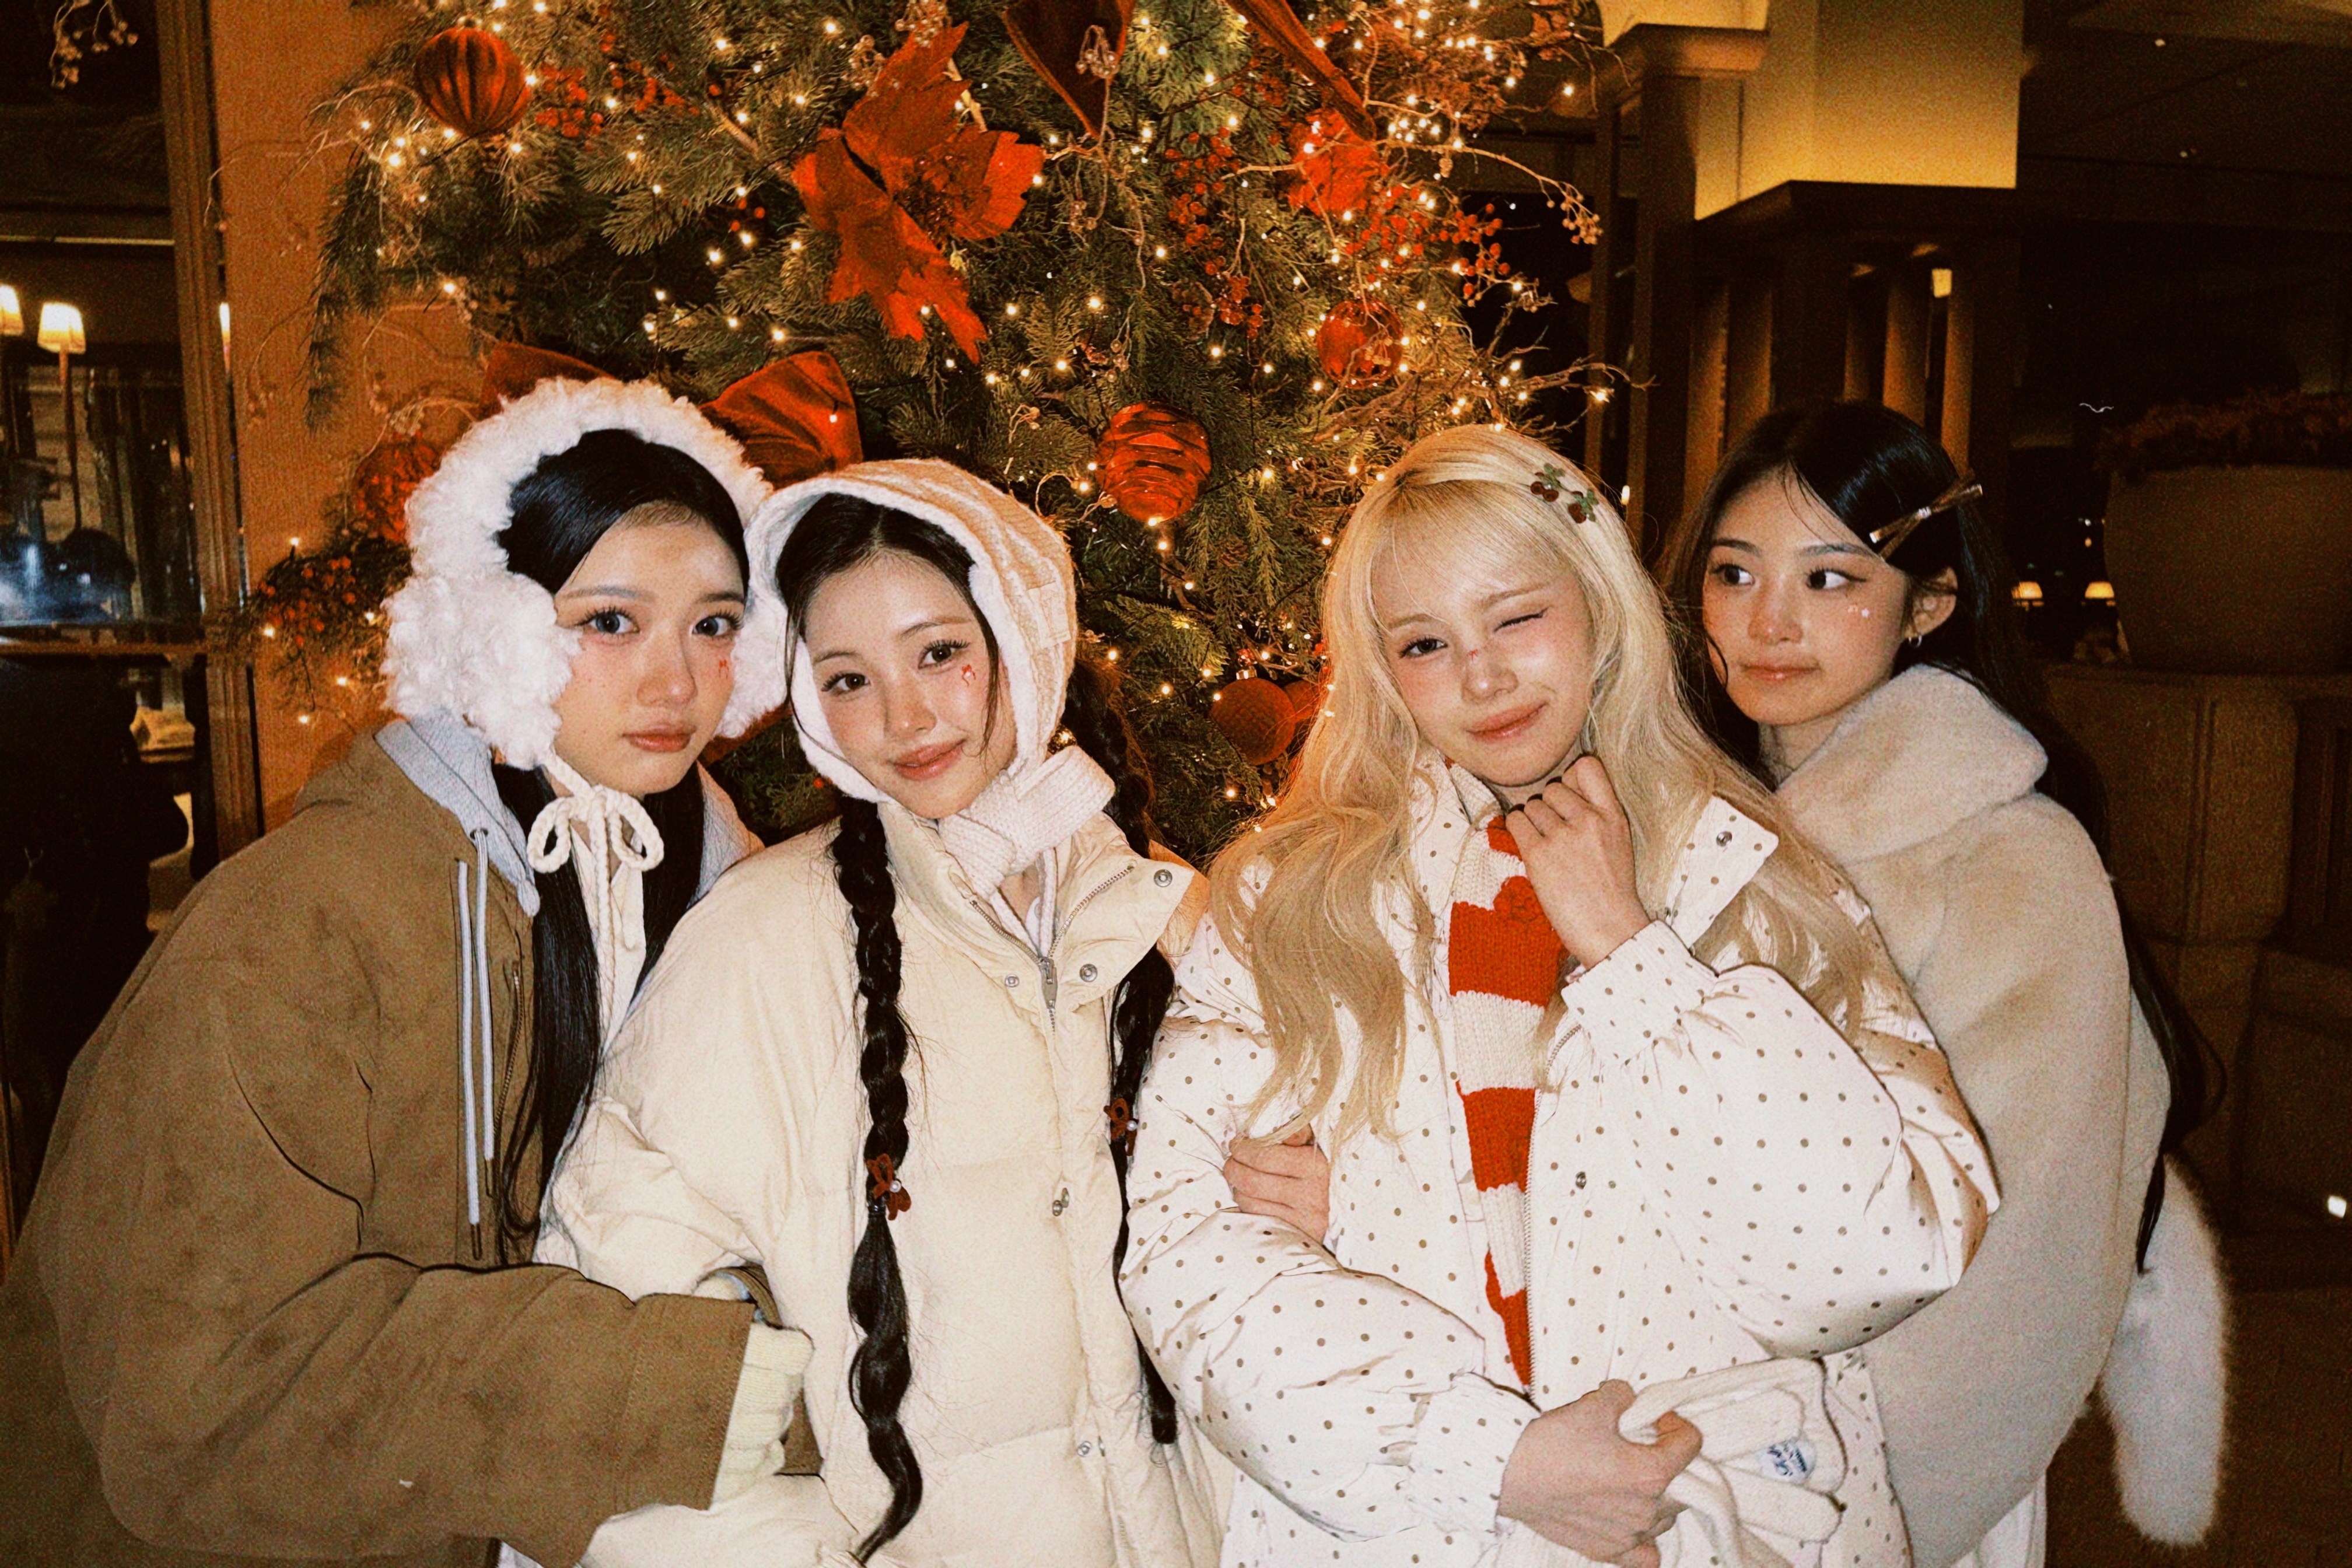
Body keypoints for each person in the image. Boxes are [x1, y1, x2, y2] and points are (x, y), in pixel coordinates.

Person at [1122, 424, 1997, 1568]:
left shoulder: (1760, 879)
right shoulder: (1286, 901)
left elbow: (1872, 1263)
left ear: (1598, 609)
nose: (1482, 677)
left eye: (1517, 618)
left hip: (1719, 1526)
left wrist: (1635, 959)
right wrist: (1494, 1458)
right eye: (1426, 643)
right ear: (1382, 671)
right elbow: (1186, 1254)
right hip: (1413, 1535)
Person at [0, 374, 804, 1568]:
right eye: (610, 622)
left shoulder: (718, 899)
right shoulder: (294, 929)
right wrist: (670, 1391)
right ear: (495, 632)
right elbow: (197, 1412)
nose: (677, 683)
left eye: (716, 624)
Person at [536, 460, 1226, 1566]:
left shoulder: (1171, 914)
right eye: (849, 679)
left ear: (1023, 637)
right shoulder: (762, 942)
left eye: (939, 653)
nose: (905, 718)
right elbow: (619, 1328)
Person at [1657, 400, 2224, 1568]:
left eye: (1829, 579)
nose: (1769, 621)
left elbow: (2029, 1240)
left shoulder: (2008, 857)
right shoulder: (1670, 822)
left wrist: (1839, 1482)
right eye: (1735, 572)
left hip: (1858, 1468)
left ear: (1929, 604)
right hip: (1665, 1432)